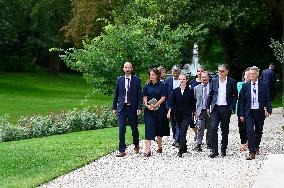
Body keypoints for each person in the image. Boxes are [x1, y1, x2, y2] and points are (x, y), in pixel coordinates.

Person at [239, 66, 272, 160]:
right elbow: (242, 101)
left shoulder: (264, 85)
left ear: (257, 74)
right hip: (249, 112)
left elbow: (267, 98)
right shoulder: (245, 86)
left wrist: (269, 110)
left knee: (258, 131)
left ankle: (257, 146)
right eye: (250, 74)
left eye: (253, 74)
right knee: (250, 131)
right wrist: (241, 114)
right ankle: (252, 152)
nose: (251, 76)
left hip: (260, 111)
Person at [206, 64, 237, 158]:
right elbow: (210, 94)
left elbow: (235, 96)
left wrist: (231, 107)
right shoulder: (214, 81)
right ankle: (214, 151)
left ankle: (223, 149)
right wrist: (208, 106)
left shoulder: (231, 81)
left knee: (225, 130)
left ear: (227, 72)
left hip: (225, 108)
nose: (220, 73)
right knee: (213, 128)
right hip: (215, 108)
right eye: (219, 71)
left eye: (222, 71)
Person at [112, 62, 142, 157]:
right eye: (126, 67)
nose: (127, 69)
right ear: (123, 69)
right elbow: (116, 94)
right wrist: (114, 107)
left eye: (129, 67)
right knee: (121, 128)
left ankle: (136, 144)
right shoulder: (119, 80)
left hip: (132, 108)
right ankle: (122, 150)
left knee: (134, 128)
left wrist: (139, 107)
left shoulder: (136, 80)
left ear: (132, 69)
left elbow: (139, 95)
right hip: (122, 108)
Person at [167, 73, 196, 157]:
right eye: (180, 79)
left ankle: (180, 150)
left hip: (187, 115)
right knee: (180, 131)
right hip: (178, 114)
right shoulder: (175, 91)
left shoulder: (190, 91)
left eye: (183, 79)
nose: (182, 81)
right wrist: (169, 112)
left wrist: (194, 112)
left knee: (183, 131)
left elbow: (193, 103)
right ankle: (184, 147)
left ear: (186, 80)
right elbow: (171, 103)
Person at [143, 68, 170, 157]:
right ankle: (148, 150)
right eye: (150, 75)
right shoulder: (147, 85)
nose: (151, 76)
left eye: (153, 75)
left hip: (160, 109)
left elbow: (163, 97)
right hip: (149, 110)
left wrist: (156, 105)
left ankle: (159, 146)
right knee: (149, 127)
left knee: (159, 127)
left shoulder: (162, 85)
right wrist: (146, 104)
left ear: (157, 75)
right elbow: (145, 96)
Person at [193, 71, 211, 151]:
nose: (204, 78)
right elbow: (194, 101)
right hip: (200, 111)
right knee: (200, 127)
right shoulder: (196, 88)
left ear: (209, 78)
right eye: (203, 77)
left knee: (210, 128)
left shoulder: (212, 87)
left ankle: (209, 143)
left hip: (210, 110)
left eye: (206, 77)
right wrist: (194, 112)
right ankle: (198, 144)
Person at [165, 65, 181, 147]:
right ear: (172, 72)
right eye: (174, 71)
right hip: (170, 105)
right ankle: (175, 138)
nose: (175, 73)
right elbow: (165, 94)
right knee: (173, 123)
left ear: (179, 72)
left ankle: (178, 139)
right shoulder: (167, 81)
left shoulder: (182, 80)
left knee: (178, 122)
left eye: (177, 71)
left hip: (180, 105)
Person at [189, 67, 204, 141]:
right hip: (192, 103)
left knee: (200, 121)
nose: (200, 72)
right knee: (191, 122)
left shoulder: (206, 82)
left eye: (202, 71)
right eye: (198, 71)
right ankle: (197, 133)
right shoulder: (192, 82)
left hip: (201, 104)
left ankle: (199, 136)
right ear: (196, 72)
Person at [237, 68, 250, 152]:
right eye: (246, 74)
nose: (248, 76)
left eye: (249, 74)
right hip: (240, 108)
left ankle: (249, 142)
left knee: (250, 125)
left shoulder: (254, 85)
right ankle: (243, 142)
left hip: (250, 109)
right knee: (241, 126)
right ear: (244, 76)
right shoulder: (239, 84)